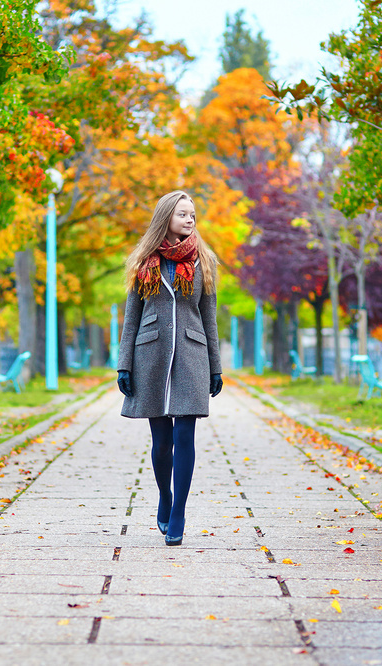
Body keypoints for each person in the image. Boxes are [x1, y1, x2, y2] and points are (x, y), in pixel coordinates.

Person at [116, 190, 223, 546]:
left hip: (192, 356)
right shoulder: (144, 260)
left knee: (184, 437)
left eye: (193, 214)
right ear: (166, 217)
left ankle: (178, 513)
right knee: (161, 443)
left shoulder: (203, 260)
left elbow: (209, 317)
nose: (190, 219)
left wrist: (215, 367)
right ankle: (165, 496)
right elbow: (132, 317)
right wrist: (124, 365)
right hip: (152, 358)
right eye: (182, 214)